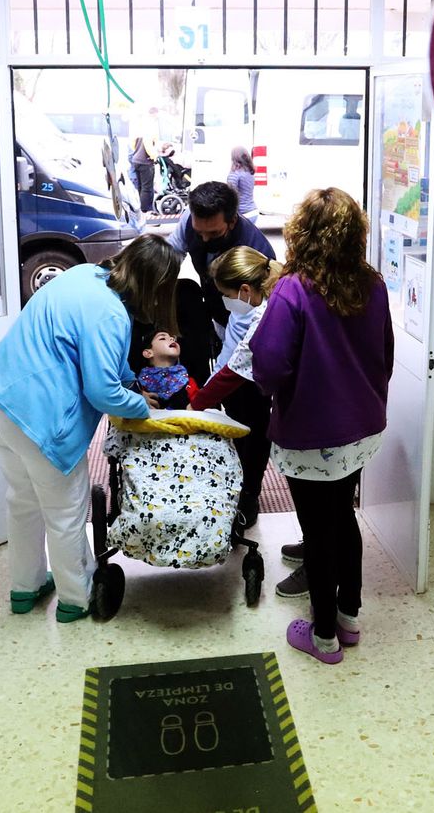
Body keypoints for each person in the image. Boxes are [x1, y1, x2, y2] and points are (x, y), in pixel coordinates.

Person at [0, 235, 180, 622]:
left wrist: (132, 384)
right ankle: (76, 597)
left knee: (22, 501)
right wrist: (140, 407)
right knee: (65, 512)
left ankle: (25, 587)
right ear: (155, 285)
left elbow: (103, 360)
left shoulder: (84, 275)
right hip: (41, 420)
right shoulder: (112, 314)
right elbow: (102, 391)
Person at [249, 188, 394, 665]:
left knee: (317, 530)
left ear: (301, 234)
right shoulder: (371, 283)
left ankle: (324, 635)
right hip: (360, 429)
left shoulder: (294, 288)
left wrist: (276, 391)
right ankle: (349, 618)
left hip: (312, 432)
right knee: (344, 517)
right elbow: (385, 354)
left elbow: (268, 363)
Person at [168, 181, 276, 524]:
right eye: (198, 232)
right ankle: (214, 483)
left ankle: (249, 495)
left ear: (231, 221)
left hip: (250, 335)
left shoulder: (257, 254)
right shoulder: (192, 223)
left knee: (250, 418)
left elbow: (238, 360)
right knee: (216, 402)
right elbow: (168, 260)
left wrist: (197, 403)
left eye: (212, 234)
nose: (202, 239)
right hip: (220, 322)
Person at [191, 247, 288, 540]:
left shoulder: (265, 314)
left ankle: (248, 496)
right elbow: (229, 350)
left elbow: (237, 367)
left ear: (244, 290)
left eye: (226, 295)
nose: (225, 301)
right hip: (236, 376)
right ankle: (234, 489)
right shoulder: (247, 303)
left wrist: (196, 403)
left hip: (256, 383)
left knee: (255, 438)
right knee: (237, 434)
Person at [133, 330, 196, 409]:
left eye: (173, 339)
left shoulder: (189, 382)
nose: (172, 339)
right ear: (148, 353)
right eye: (162, 338)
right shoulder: (136, 385)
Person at [227, 146, 259, 223]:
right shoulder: (249, 172)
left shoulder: (234, 174)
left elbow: (231, 197)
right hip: (253, 212)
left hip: (242, 214)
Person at [127, 132, 155, 214]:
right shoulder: (149, 134)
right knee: (147, 187)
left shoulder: (139, 133)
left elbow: (133, 145)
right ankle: (145, 209)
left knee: (140, 187)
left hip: (136, 160)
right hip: (145, 161)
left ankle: (139, 207)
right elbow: (149, 147)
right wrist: (154, 156)